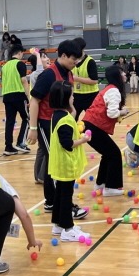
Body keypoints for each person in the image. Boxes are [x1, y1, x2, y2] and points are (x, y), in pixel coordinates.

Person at [27, 40, 87, 219]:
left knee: (51, 163)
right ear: (62, 55)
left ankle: (52, 201)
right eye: (73, 59)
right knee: (57, 162)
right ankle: (64, 206)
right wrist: (33, 128)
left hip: (60, 123)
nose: (75, 62)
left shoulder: (69, 73)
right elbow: (34, 101)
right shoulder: (48, 75)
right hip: (47, 125)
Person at [48, 81, 93, 242]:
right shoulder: (65, 121)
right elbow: (67, 144)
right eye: (72, 95)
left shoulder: (58, 114)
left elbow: (70, 118)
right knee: (66, 196)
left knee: (60, 194)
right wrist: (83, 139)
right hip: (65, 163)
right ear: (65, 98)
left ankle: (58, 225)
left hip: (59, 163)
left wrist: (72, 109)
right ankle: (68, 229)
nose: (74, 97)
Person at [83, 65, 130, 196]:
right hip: (93, 127)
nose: (125, 75)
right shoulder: (114, 91)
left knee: (109, 154)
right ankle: (111, 187)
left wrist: (119, 113)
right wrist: (122, 112)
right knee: (114, 153)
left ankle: (100, 184)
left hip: (91, 126)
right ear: (117, 76)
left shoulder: (110, 89)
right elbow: (112, 113)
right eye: (122, 73)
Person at [1, 44, 30, 156]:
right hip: (19, 95)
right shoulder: (20, 64)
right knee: (27, 118)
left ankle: (8, 147)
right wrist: (29, 98)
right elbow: (24, 81)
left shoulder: (4, 66)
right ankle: (21, 143)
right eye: (22, 53)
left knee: (10, 122)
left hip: (7, 96)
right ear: (19, 53)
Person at [28, 49, 50, 184]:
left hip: (38, 113)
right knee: (46, 148)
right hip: (40, 114)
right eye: (44, 57)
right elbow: (40, 68)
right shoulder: (38, 74)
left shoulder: (37, 74)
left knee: (42, 147)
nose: (47, 58)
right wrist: (36, 54)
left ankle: (38, 176)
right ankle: (42, 176)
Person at [71, 37, 100, 119]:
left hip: (91, 96)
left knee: (93, 119)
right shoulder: (71, 61)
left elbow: (94, 80)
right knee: (72, 118)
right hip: (76, 95)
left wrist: (77, 79)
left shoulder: (90, 61)